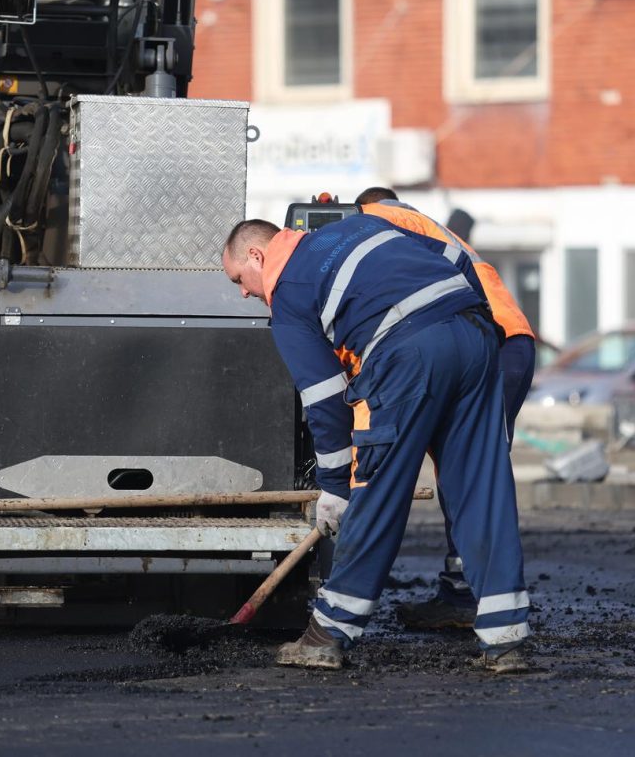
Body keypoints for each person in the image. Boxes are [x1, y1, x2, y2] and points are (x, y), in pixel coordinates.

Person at [221, 215, 532, 673]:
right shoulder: (360, 227)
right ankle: (506, 642)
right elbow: (452, 255)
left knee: (378, 487)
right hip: (475, 335)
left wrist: (333, 487)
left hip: (409, 352)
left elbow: (325, 400)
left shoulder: (288, 294)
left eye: (238, 280)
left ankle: (328, 632)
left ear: (257, 255)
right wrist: (472, 316)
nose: (245, 292)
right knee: (477, 487)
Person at [355, 187, 536, 631]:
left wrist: (356, 480)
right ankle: (463, 591)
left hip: (486, 341)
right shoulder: (422, 224)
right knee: (469, 471)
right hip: (505, 340)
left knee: (469, 472)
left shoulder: (376, 226)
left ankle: (469, 597)